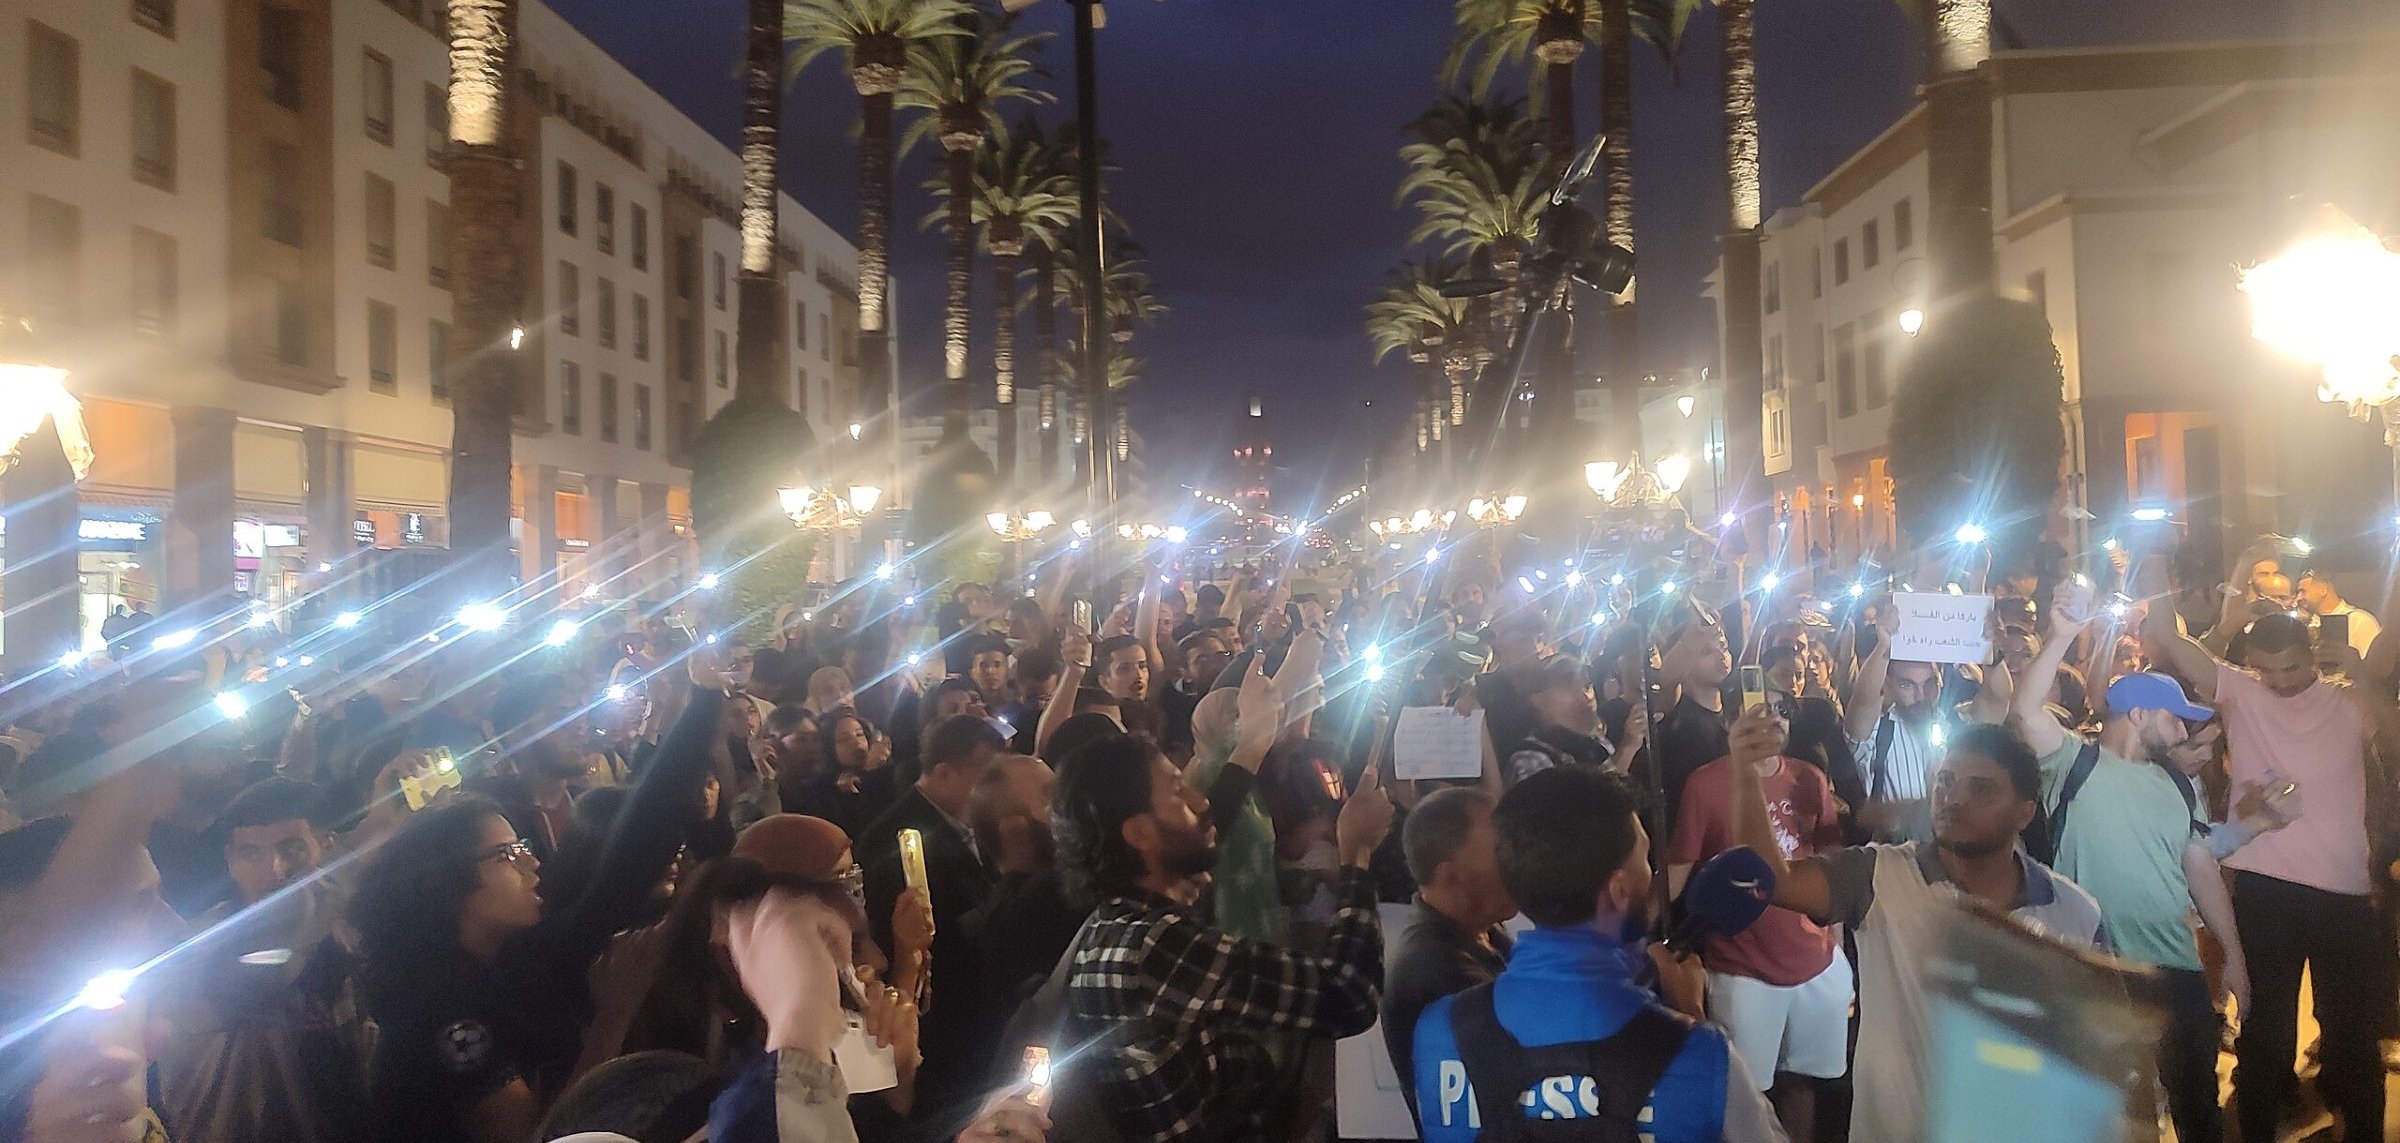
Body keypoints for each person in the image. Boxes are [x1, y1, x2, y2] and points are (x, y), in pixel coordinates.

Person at [1727, 712, 2103, 1143]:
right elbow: (1771, 881)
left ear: (2025, 812)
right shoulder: (1878, 876)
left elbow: (2095, 1054)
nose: (1953, 799)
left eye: (1980, 788)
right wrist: (1746, 773)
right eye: (1945, 780)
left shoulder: (2074, 913)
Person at [1050, 707, 1395, 1143]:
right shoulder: (1156, 945)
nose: (1202, 802)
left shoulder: (1114, 925)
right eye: (1179, 791)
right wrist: (1357, 853)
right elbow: (1349, 998)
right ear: (1139, 834)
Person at [2139, 561, 2390, 1143]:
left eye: (2292, 668)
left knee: (2353, 1036)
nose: (2279, 681)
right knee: (2264, 1031)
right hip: (2264, 886)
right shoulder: (2241, 690)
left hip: (2343, 890)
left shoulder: (2348, 701)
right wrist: (2153, 557)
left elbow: (2394, 734)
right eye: (2267, 670)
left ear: (2313, 655)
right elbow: (2170, 637)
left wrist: (2365, 679)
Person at [1411, 767, 1784, 1142]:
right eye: (1645, 857)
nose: (1651, 872)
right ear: (1620, 889)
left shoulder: (1438, 1031)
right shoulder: (1703, 1056)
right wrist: (1690, 1014)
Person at [2012, 583, 2248, 1143]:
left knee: (2199, 1110)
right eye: (2175, 719)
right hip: (2097, 972)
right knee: (2116, 1115)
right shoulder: (2074, 761)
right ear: (2139, 712)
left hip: (2178, 973)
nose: (2183, 731)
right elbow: (2023, 711)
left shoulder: (2179, 784)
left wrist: (2233, 954)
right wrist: (2061, 637)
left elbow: (2199, 868)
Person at [155, 778, 373, 1143]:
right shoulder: (199, 946)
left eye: (293, 850)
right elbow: (237, 992)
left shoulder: (354, 926)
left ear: (324, 845)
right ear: (231, 860)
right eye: (252, 854)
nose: (275, 870)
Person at [1666, 706, 1848, 1142]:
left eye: (1782, 710)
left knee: (1804, 1081)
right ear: (1731, 722)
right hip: (1743, 969)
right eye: (1759, 710)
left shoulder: (1809, 777)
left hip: (1816, 963)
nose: (1773, 720)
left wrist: (1839, 956)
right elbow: (1677, 875)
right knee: (1747, 1092)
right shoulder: (1705, 784)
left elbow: (1832, 870)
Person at [858, 715, 1007, 1133]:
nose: (994, 790)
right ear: (944, 773)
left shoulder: (966, 823)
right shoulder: (896, 841)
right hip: (941, 1030)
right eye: (987, 776)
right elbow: (918, 940)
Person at [1382, 787, 1514, 1120]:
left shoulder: (1482, 932)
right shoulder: (1437, 969)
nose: (1516, 865)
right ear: (1452, 877)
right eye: (1501, 853)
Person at [1504, 654, 1646, 784]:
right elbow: (1586, 802)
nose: (1586, 696)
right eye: (1568, 687)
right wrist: (1626, 750)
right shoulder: (1530, 761)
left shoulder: (1599, 744)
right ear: (1539, 701)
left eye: (1587, 686)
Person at [796, 711, 896, 842]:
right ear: (829, 748)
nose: (857, 742)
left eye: (859, 734)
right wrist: (867, 775)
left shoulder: (887, 771)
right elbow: (860, 835)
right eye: (844, 739)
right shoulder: (818, 791)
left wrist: (870, 773)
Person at [2300, 569, 2382, 658]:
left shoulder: (2360, 621)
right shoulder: (2306, 626)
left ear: (2323, 590)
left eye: (2303, 591)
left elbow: (2374, 662)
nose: (2298, 598)